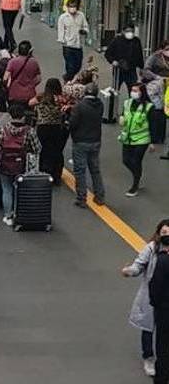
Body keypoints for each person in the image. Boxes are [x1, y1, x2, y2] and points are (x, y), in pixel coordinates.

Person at [123, 219, 169, 378]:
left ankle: (162, 359)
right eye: (164, 233)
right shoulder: (151, 249)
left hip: (166, 297)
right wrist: (130, 271)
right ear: (158, 233)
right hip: (151, 294)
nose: (166, 236)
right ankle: (148, 357)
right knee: (148, 327)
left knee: (164, 330)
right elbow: (139, 265)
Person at [0, 103, 41, 226]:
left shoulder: (2, 129)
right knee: (19, 189)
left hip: (4, 163)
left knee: (6, 189)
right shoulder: (29, 131)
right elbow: (37, 148)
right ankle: (19, 213)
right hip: (22, 165)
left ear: (10, 115)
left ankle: (8, 215)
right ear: (23, 116)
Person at [69, 82, 105, 207]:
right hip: (95, 141)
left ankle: (81, 198)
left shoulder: (79, 106)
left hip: (81, 141)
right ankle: (99, 196)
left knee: (80, 171)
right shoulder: (100, 105)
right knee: (95, 169)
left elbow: (73, 124)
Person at [30, 78, 68, 187]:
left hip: (43, 127)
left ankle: (42, 174)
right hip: (57, 128)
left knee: (42, 151)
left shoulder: (41, 96)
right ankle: (56, 176)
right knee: (57, 152)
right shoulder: (61, 98)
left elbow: (30, 102)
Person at [119, 82, 154, 197]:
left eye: (136, 91)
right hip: (128, 137)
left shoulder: (148, 107)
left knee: (136, 161)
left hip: (142, 139)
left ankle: (135, 185)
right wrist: (122, 118)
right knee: (126, 160)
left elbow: (153, 125)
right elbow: (123, 114)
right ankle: (137, 175)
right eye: (132, 90)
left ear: (142, 92)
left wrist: (152, 142)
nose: (133, 92)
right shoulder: (127, 103)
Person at [149, 232, 169, 384]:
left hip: (164, 309)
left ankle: (162, 377)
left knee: (162, 345)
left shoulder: (163, 260)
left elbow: (156, 285)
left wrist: (155, 303)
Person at [106, 25, 145, 95]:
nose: (130, 33)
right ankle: (112, 104)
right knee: (114, 90)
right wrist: (112, 61)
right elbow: (108, 53)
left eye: (132, 31)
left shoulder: (136, 41)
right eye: (127, 31)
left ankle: (132, 104)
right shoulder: (117, 40)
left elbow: (139, 55)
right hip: (119, 69)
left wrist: (141, 67)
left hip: (131, 70)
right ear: (123, 31)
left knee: (133, 91)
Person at [57, 0, 90, 81]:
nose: (73, 8)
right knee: (70, 67)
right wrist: (62, 40)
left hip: (78, 46)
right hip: (68, 46)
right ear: (68, 7)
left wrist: (84, 31)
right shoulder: (63, 18)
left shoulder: (81, 15)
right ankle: (68, 82)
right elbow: (60, 31)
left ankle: (68, 78)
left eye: (74, 6)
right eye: (71, 6)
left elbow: (86, 26)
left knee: (78, 66)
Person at [4, 41, 41, 109]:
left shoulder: (12, 62)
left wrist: (8, 86)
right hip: (30, 94)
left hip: (14, 94)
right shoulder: (34, 62)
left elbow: (5, 78)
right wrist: (31, 84)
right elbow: (39, 79)